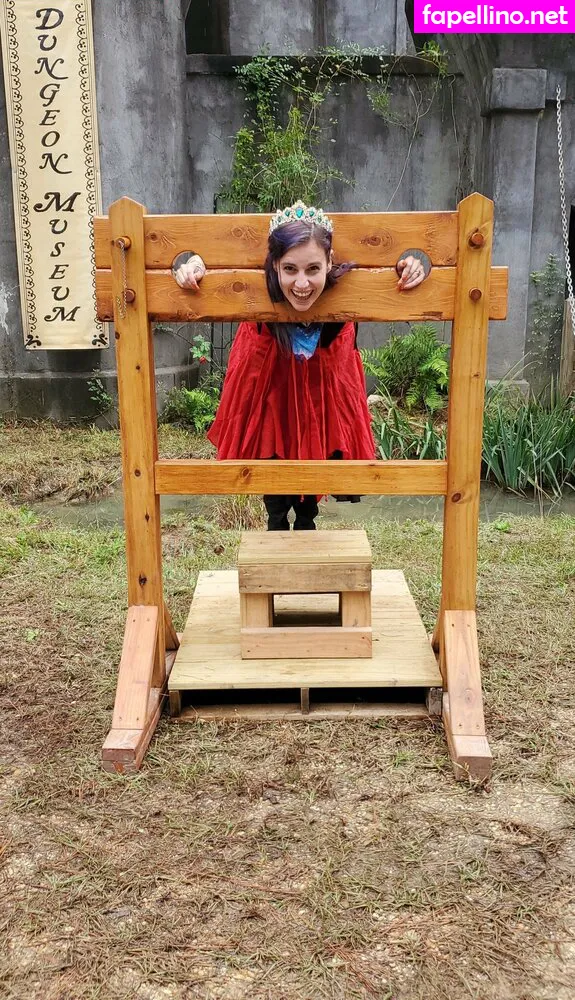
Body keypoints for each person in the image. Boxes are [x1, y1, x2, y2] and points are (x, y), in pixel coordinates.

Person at [173, 200, 430, 530]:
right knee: (272, 452)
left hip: (322, 382)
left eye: (313, 269)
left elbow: (391, 257)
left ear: (330, 262)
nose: (302, 284)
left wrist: (411, 264)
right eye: (290, 269)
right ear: (275, 265)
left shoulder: (345, 286)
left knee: (316, 451)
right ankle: (276, 523)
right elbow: (208, 260)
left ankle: (307, 521)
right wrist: (194, 264)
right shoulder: (259, 288)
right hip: (271, 380)